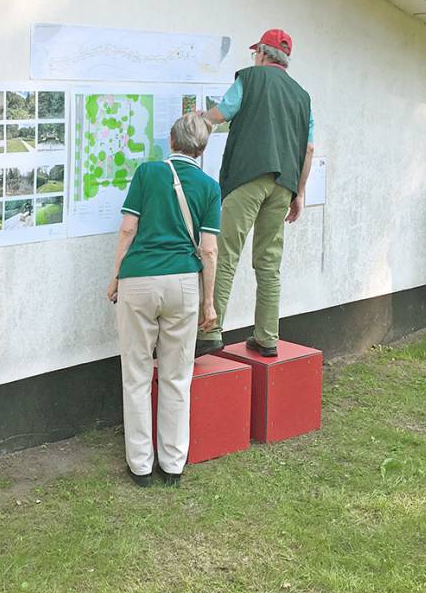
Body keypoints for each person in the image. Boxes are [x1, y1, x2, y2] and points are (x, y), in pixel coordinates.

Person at [106, 113, 221, 488]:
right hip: (184, 284)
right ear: (201, 149)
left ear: (171, 140)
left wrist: (115, 277)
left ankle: (140, 465)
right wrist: (208, 303)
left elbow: (127, 229)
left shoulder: (147, 173)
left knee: (136, 374)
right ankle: (172, 463)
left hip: (139, 280)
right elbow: (209, 250)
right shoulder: (209, 186)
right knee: (176, 376)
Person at [195, 28, 314, 358]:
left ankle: (209, 332)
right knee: (269, 262)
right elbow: (309, 148)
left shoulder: (250, 78)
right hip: (283, 185)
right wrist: (298, 194)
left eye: (255, 54)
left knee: (225, 253)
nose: (254, 58)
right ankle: (267, 337)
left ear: (262, 54)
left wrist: (197, 119)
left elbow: (221, 114)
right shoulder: (302, 96)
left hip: (248, 177)